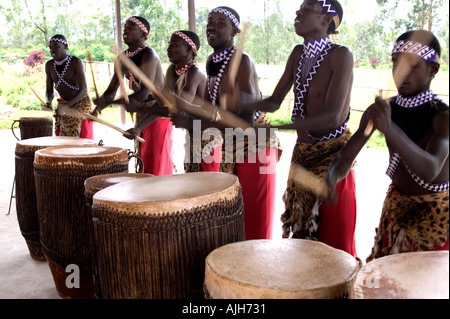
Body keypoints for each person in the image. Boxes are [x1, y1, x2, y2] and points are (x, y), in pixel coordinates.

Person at [239, 0, 357, 256]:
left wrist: (288, 124)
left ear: (326, 20)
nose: (298, 12)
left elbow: (333, 116)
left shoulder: (340, 55)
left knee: (334, 241)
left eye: (307, 8)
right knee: (303, 235)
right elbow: (273, 102)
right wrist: (241, 102)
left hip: (333, 157)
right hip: (303, 154)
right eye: (300, 7)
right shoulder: (297, 53)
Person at [325, 30, 449, 262]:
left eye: (413, 65)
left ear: (433, 69)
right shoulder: (385, 109)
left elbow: (430, 170)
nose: (402, 72)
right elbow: (346, 156)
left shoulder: (443, 116)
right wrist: (332, 176)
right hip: (396, 213)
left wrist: (390, 128)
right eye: (396, 63)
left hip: (436, 223)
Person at [169, 6, 280, 240]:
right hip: (234, 142)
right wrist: (186, 113)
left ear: (235, 30)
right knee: (235, 214)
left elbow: (245, 121)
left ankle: (256, 272)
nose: (212, 26)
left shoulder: (242, 61)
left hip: (256, 144)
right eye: (210, 21)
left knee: (253, 219)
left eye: (221, 23)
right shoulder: (213, 61)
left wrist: (192, 123)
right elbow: (210, 109)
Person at [92, 16, 171, 176]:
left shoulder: (149, 54)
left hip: (157, 113)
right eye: (125, 26)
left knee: (154, 161)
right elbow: (110, 91)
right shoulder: (122, 58)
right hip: (141, 111)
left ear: (144, 34)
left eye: (131, 27)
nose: (126, 30)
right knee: (142, 158)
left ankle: (159, 197)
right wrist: (97, 108)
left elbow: (143, 93)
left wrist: (116, 102)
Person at [128, 30, 207, 173]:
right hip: (194, 135)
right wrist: (139, 128)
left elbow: (177, 108)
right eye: (169, 44)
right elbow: (161, 104)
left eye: (174, 45)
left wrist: (141, 109)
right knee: (193, 178)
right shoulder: (173, 72)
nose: (169, 49)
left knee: (205, 184)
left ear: (189, 49)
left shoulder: (194, 73)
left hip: (209, 137)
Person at [45, 34, 94, 139]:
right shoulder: (49, 65)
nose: (52, 50)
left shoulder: (75, 62)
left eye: (56, 46)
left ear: (66, 46)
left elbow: (84, 89)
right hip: (63, 103)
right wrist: (48, 102)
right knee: (62, 136)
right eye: (50, 47)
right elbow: (49, 90)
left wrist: (67, 106)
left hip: (80, 103)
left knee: (82, 139)